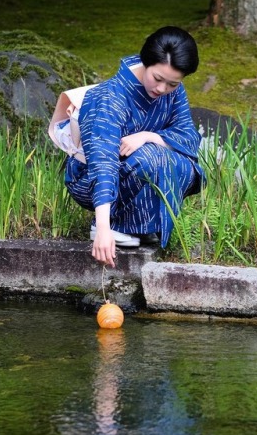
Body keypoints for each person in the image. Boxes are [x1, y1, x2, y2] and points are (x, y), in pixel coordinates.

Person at [50, 26, 204, 268]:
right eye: (158, 78)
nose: (162, 89)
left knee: (186, 166)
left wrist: (147, 135)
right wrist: (102, 229)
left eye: (173, 84)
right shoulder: (110, 98)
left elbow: (188, 137)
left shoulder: (173, 90)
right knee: (152, 158)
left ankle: (140, 227)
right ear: (146, 62)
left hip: (134, 165)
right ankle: (114, 224)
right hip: (90, 178)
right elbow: (103, 163)